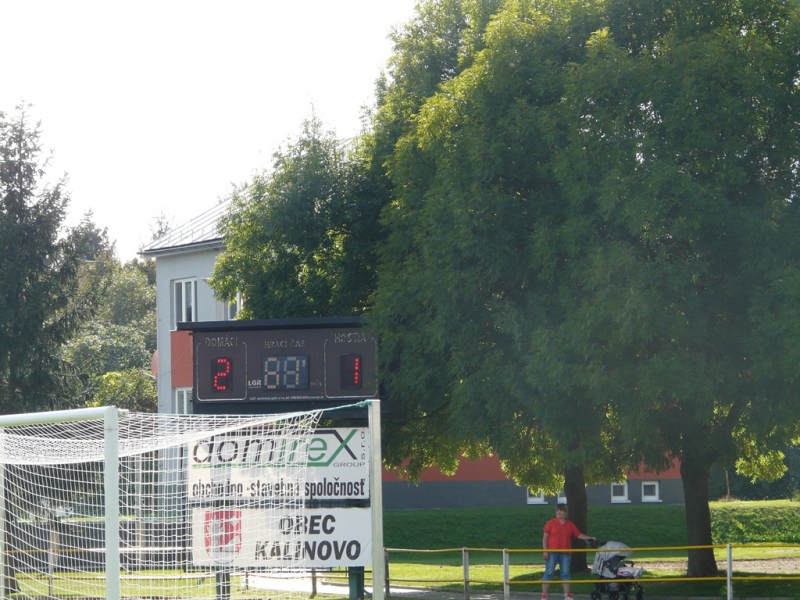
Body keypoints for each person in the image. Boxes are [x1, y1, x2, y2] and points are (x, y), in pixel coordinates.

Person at [541, 503, 595, 600]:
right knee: (549, 572)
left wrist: (589, 537)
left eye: (561, 510)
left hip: (565, 553)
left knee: (565, 573)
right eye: (557, 510)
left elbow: (578, 534)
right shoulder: (550, 523)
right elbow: (545, 538)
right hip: (552, 552)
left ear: (566, 513)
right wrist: (545, 551)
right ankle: (544, 595)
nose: (559, 512)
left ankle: (567, 595)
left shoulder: (570, 524)